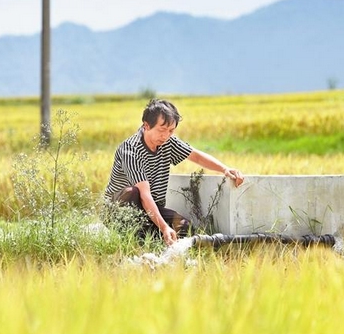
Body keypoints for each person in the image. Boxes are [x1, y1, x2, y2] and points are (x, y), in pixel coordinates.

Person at [104, 99, 244, 246]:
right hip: (118, 210)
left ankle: (153, 240)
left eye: (171, 131)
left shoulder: (167, 142)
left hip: (151, 208)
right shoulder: (130, 150)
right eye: (161, 130)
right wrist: (164, 227)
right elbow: (144, 195)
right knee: (133, 192)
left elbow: (195, 156)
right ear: (146, 125)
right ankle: (137, 242)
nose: (165, 136)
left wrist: (224, 169)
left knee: (185, 228)